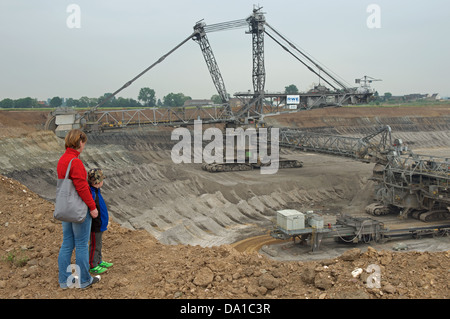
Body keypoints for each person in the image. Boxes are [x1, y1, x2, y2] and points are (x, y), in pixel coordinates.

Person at [57, 129, 101, 289]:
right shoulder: (75, 162)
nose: (84, 146)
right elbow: (82, 188)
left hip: (65, 208)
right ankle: (84, 280)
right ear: (79, 142)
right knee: (82, 243)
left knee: (67, 243)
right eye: (84, 143)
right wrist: (92, 206)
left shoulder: (63, 159)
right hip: (78, 209)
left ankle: (64, 280)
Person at [87, 168, 113, 274]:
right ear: (97, 182)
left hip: (100, 224)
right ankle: (93, 265)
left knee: (99, 244)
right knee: (94, 245)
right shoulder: (92, 194)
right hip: (95, 225)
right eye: (101, 180)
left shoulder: (96, 191)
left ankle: (99, 261)